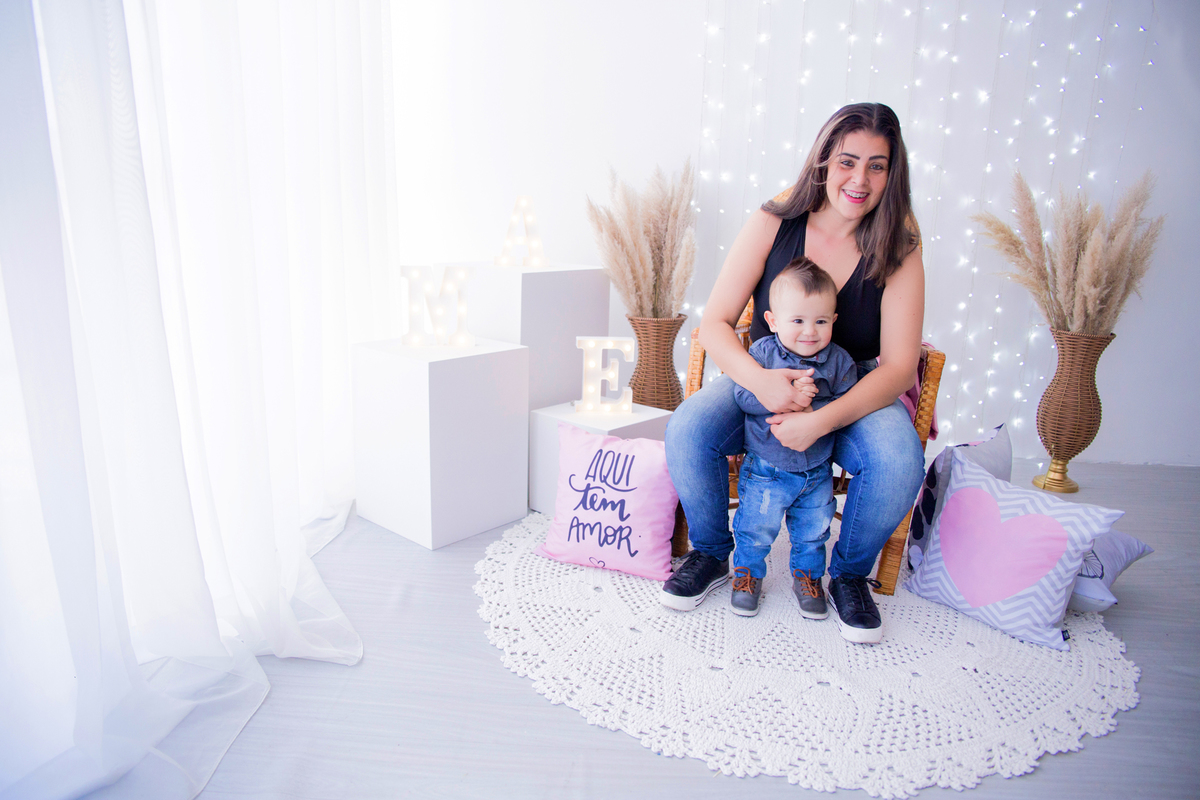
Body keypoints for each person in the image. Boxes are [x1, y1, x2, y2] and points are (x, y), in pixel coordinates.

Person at [661, 102, 925, 645]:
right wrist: (761, 384)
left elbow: (899, 367)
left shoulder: (900, 247)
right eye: (849, 160)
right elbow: (712, 325)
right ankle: (712, 554)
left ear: (892, 174)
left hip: (851, 393)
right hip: (764, 382)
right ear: (824, 159)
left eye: (878, 165)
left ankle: (847, 575)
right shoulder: (773, 221)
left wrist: (821, 421)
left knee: (900, 461)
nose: (860, 179)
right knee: (689, 428)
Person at [727, 257, 857, 621]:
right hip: (766, 468)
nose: (809, 331)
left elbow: (847, 404)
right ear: (773, 321)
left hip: (816, 471)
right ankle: (747, 575)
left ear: (833, 320)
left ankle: (808, 578)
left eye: (820, 321)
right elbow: (743, 397)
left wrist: (816, 404)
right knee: (755, 528)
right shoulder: (763, 353)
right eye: (797, 320)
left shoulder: (839, 362)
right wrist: (785, 397)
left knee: (814, 532)